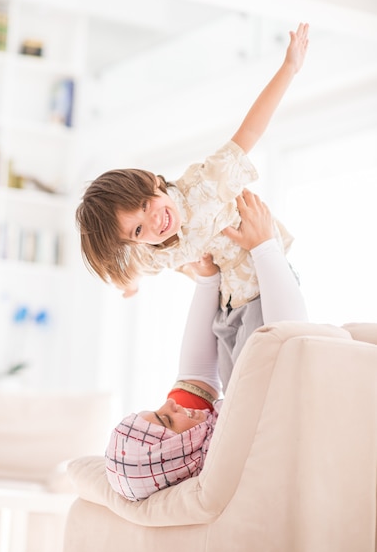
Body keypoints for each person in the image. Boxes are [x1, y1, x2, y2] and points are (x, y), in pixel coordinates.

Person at [77, 23, 309, 390]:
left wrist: (289, 67)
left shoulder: (205, 185)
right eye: (138, 230)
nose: (154, 222)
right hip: (228, 308)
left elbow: (249, 132)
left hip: (264, 286)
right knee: (234, 389)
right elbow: (135, 265)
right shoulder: (151, 252)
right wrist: (131, 286)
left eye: (145, 203)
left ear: (154, 182)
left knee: (263, 380)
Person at [105, 191, 308, 501]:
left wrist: (207, 279)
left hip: (242, 306)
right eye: (166, 419)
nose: (170, 405)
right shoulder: (235, 439)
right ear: (176, 453)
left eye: (157, 410)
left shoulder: (198, 437)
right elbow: (289, 339)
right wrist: (264, 245)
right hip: (275, 310)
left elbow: (195, 374)